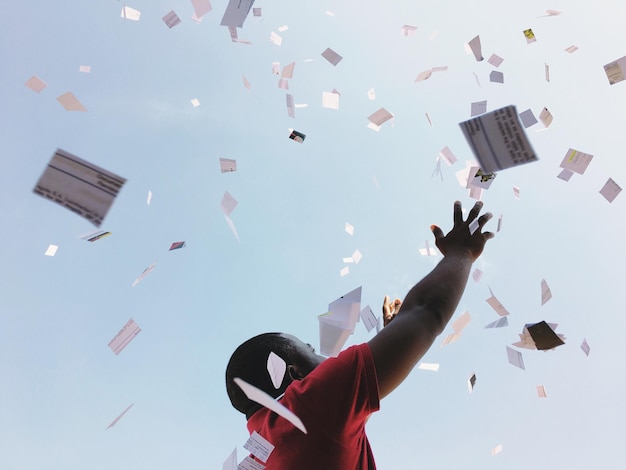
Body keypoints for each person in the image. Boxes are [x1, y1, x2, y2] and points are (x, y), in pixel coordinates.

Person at [225, 201, 494, 469]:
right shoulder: (309, 405)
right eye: (310, 349)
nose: (321, 354)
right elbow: (427, 312)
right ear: (295, 375)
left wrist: (391, 336)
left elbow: (347, 416)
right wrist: (462, 251)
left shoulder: (262, 454)